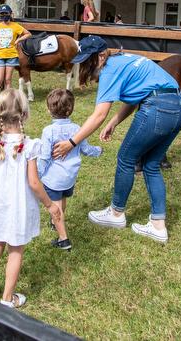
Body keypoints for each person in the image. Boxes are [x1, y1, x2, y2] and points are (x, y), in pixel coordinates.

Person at [51, 36, 181, 244]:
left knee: (126, 158)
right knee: (151, 164)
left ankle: (116, 213)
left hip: (158, 107)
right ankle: (158, 225)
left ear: (102, 55)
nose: (86, 66)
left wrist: (71, 143)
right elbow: (139, 94)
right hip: (179, 106)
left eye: (88, 61)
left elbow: (98, 115)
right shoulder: (124, 60)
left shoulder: (109, 70)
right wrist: (116, 121)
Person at [0, 88, 62, 308]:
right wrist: (50, 205)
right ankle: (7, 298)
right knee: (15, 249)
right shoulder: (29, 147)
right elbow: (34, 183)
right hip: (17, 206)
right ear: (24, 115)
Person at [37, 89, 102, 250]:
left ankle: (63, 239)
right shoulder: (77, 129)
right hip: (70, 177)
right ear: (71, 109)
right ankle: (55, 222)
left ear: (48, 109)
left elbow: (44, 156)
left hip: (53, 178)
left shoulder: (48, 131)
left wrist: (37, 174)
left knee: (55, 206)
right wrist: (99, 151)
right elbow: (86, 149)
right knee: (62, 199)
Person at [0, 5, 31, 112]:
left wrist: (17, 40)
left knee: (7, 80)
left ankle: (8, 103)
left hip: (11, 56)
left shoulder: (16, 26)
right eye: (2, 14)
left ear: (10, 14)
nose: (4, 15)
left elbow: (28, 34)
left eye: (6, 13)